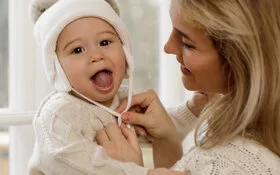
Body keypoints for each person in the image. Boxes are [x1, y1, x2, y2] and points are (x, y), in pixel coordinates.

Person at [96, 0, 280, 174]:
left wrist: (127, 170)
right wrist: (168, 142)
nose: (168, 47)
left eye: (187, 43)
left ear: (240, 60)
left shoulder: (232, 165)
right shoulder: (234, 133)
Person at [27, 0, 151, 174]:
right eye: (77, 50)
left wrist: (190, 110)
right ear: (57, 68)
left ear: (125, 51)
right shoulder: (59, 112)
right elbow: (68, 161)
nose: (96, 55)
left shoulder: (125, 99)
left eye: (105, 42)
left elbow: (156, 129)